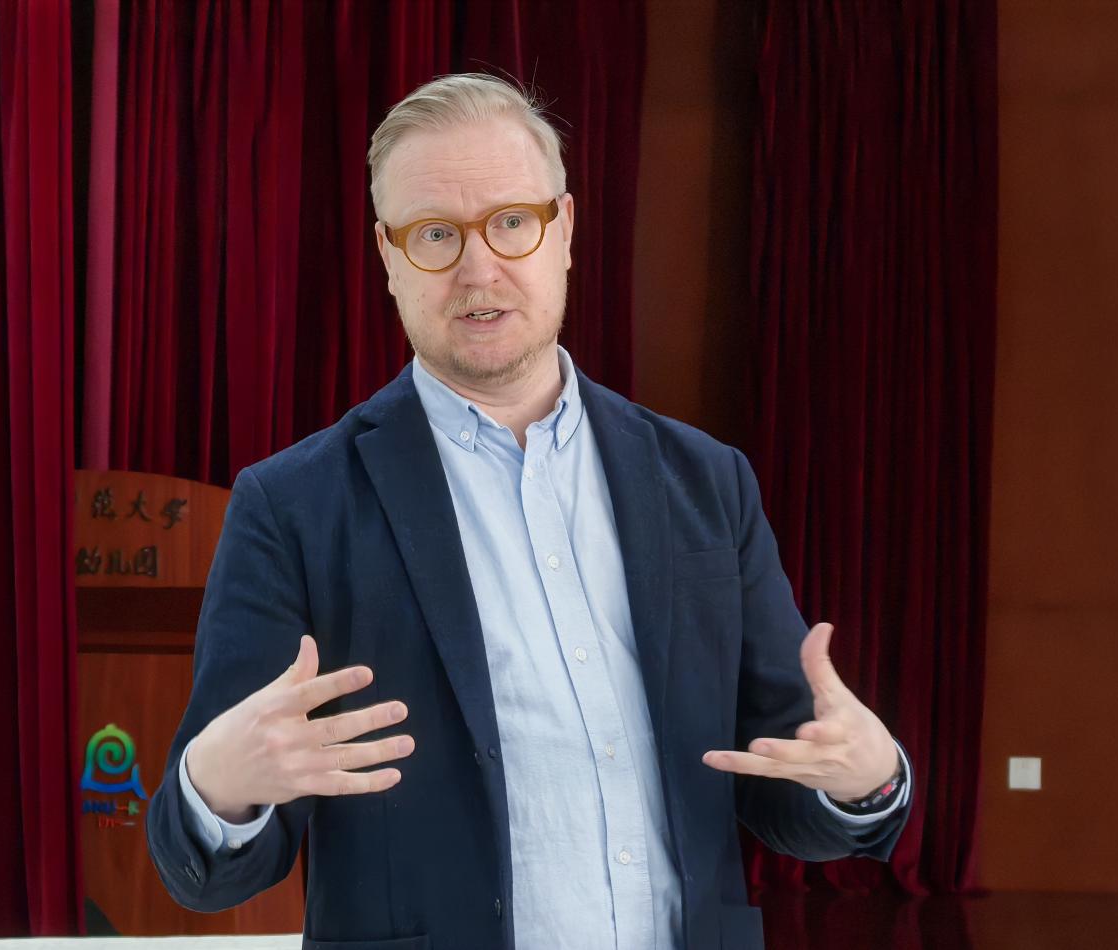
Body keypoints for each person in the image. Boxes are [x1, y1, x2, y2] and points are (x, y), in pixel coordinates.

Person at [146, 73, 912, 950]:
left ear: (566, 230)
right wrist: (217, 787)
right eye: (435, 234)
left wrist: (864, 778)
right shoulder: (292, 507)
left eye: (511, 222)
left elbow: (781, 782)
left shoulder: (707, 482)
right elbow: (211, 870)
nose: (479, 268)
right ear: (388, 257)